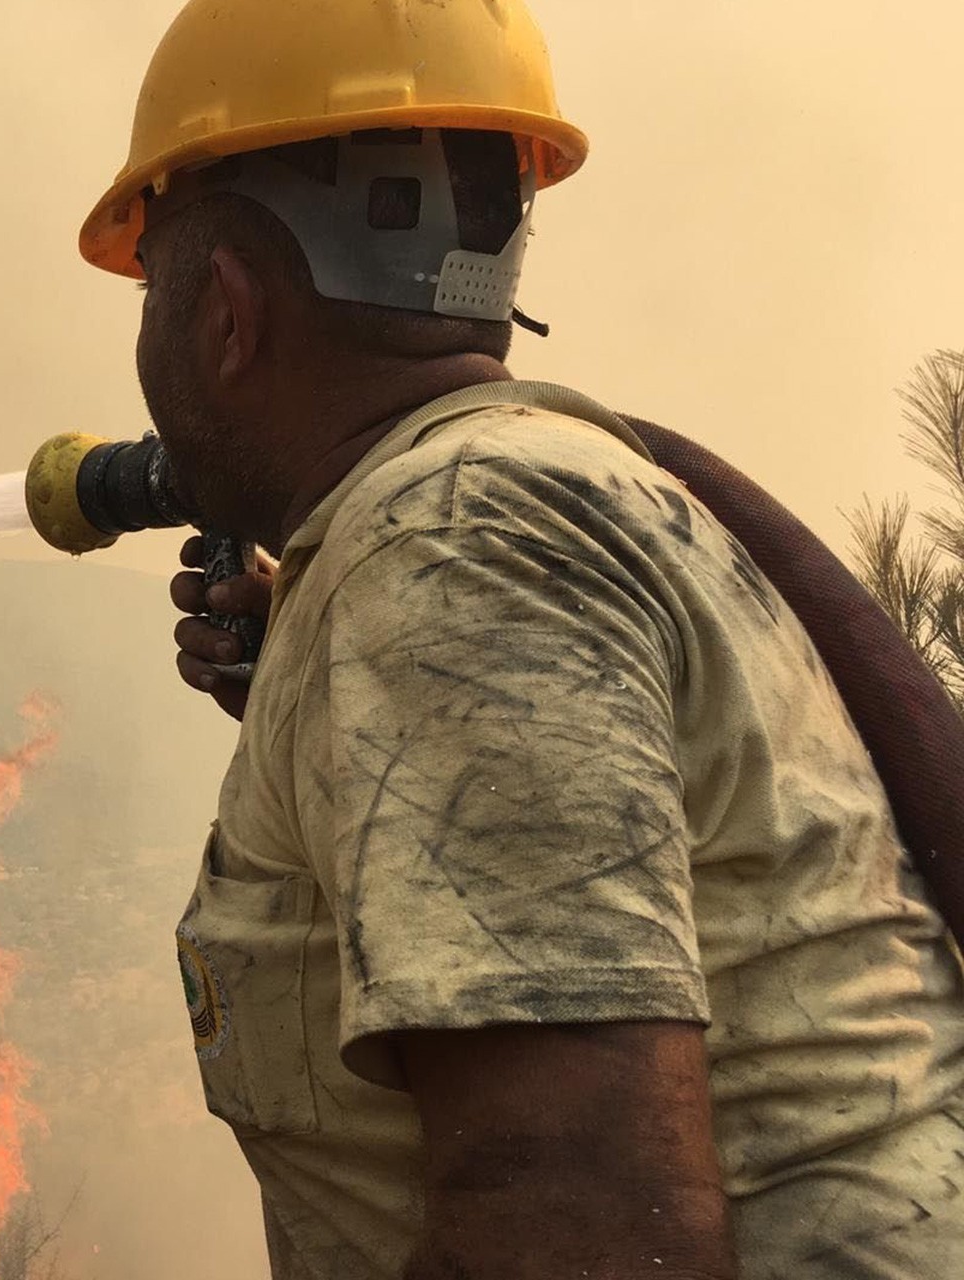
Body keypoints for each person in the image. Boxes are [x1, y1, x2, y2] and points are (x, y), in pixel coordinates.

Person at [78, 2, 964, 1276]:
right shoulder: (513, 507)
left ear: (225, 310)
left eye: (152, 272)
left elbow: (579, 1223)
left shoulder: (450, 553)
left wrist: (417, 667)